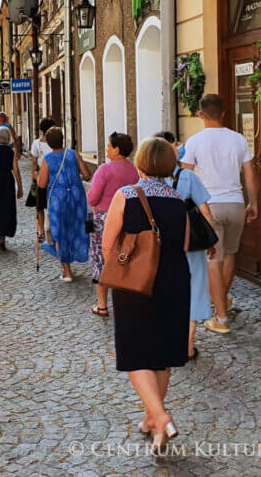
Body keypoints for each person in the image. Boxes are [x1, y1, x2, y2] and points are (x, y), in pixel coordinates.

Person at [99, 137, 191, 450]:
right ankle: (153, 423)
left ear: (140, 163)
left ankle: (161, 416)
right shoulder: (179, 200)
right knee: (163, 353)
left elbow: (108, 242)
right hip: (175, 281)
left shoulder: (126, 196)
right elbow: (186, 245)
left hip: (135, 282)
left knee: (135, 350)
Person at [180, 94, 260, 335]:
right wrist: (253, 202)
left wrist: (184, 207)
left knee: (213, 259)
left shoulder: (194, 142)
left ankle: (221, 318)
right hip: (235, 203)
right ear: (223, 113)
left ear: (201, 115)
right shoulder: (238, 140)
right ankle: (221, 304)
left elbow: (187, 177)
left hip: (209, 206)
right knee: (230, 255)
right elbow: (250, 174)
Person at [166, 135, 215, 360]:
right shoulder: (188, 178)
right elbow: (204, 210)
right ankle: (187, 344)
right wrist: (211, 240)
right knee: (194, 287)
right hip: (191, 244)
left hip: (163, 244)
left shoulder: (148, 181)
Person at [86, 132, 138, 316]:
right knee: (124, 257)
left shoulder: (104, 170)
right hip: (128, 218)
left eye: (109, 145)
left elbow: (92, 197)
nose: (107, 148)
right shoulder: (134, 170)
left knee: (99, 258)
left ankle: (102, 305)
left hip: (102, 218)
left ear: (117, 149)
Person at [36, 127, 91, 281]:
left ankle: (67, 272)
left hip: (57, 199)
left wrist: (36, 175)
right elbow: (87, 175)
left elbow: (41, 184)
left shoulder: (47, 159)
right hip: (76, 197)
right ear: (63, 138)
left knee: (60, 231)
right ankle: (79, 253)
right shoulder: (73, 154)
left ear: (48, 142)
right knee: (78, 226)